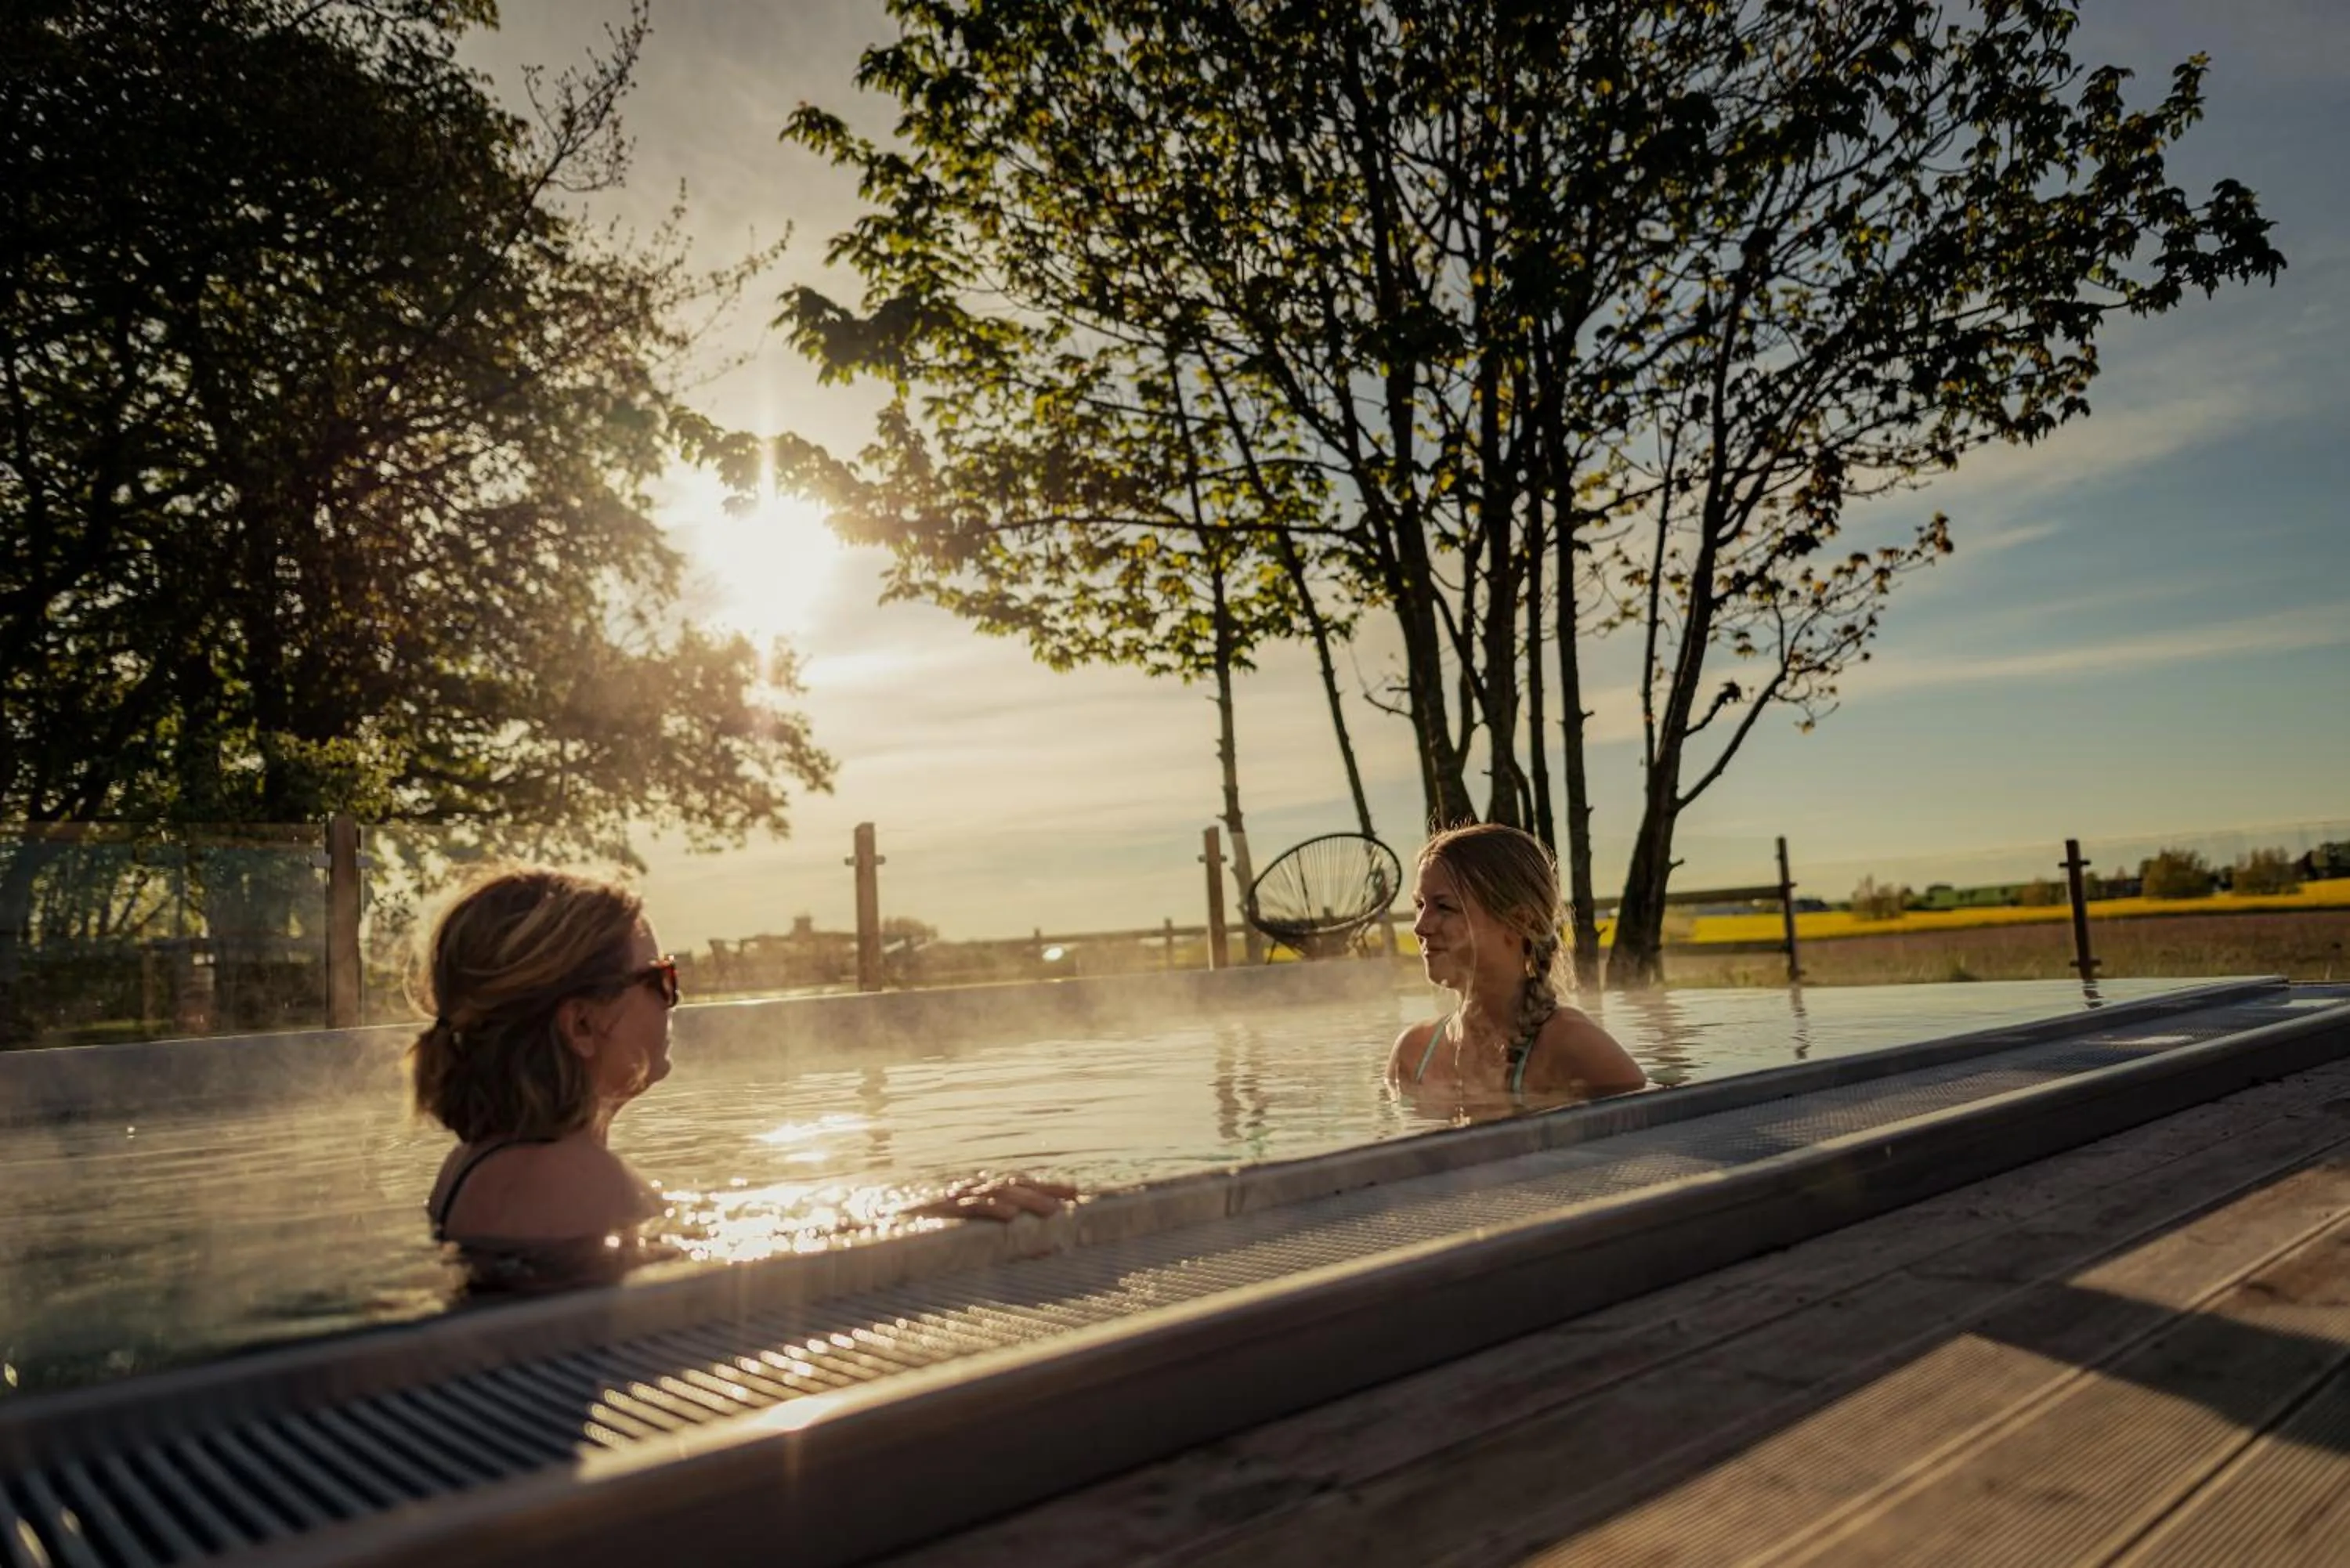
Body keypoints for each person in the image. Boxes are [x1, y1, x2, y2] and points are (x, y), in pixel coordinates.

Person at [411, 868, 1074, 1253]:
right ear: (583, 1023)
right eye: (661, 979)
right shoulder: (569, 1181)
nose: (676, 999)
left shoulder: (489, 1165)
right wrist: (919, 1222)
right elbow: (725, 1270)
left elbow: (698, 1227)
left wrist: (911, 1206)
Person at [1388, 824, 1647, 1122]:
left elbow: (1649, 1154)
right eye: (1420, 905)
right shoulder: (1413, 1053)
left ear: (1520, 922)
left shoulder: (1576, 1049)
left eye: (1444, 907)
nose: (1420, 927)